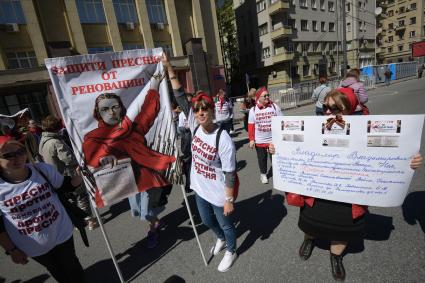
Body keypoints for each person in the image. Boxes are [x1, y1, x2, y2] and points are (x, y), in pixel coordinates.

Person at [269, 89, 423, 281]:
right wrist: (277, 149)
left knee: (341, 229)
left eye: (334, 108)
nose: (327, 112)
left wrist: (409, 161)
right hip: (317, 191)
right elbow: (293, 150)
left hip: (348, 195)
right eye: (325, 107)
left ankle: (336, 256)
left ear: (349, 109)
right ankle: (309, 239)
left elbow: (387, 158)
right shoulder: (314, 127)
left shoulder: (364, 129)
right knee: (311, 222)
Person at [163, 53, 238, 272]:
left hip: (217, 190)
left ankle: (232, 249)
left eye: (205, 109)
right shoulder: (194, 126)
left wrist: (228, 199)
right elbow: (179, 95)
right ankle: (221, 239)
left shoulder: (222, 139)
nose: (200, 112)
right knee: (206, 222)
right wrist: (169, 68)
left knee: (225, 222)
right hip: (199, 186)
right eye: (197, 110)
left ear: (212, 111)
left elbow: (230, 173)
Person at [0, 136, 86, 283]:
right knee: (56, 270)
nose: (17, 158)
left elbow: (66, 186)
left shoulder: (42, 170)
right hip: (32, 245)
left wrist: (79, 175)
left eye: (20, 151)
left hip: (61, 233)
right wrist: (12, 250)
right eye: (8, 155)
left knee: (72, 265)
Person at [82, 91, 176, 206]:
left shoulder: (131, 129)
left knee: (148, 212)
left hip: (148, 182)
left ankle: (154, 220)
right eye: (105, 109)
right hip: (124, 184)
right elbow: (92, 158)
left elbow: (147, 113)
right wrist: (103, 158)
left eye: (115, 107)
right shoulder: (92, 138)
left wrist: (154, 86)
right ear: (98, 113)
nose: (111, 113)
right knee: (137, 211)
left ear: (121, 108)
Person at [39, 116, 98, 230]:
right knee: (81, 196)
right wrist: (78, 164)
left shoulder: (43, 141)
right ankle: (89, 221)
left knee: (71, 200)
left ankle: (79, 222)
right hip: (68, 174)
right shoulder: (55, 142)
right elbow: (68, 159)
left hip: (55, 175)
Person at [248, 87, 282, 184]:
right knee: (262, 159)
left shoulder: (274, 106)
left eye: (268, 95)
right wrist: (251, 139)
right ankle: (263, 175)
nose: (267, 97)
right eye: (265, 96)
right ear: (259, 98)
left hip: (273, 140)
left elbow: (282, 121)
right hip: (260, 140)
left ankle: (277, 174)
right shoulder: (253, 110)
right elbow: (251, 126)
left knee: (275, 158)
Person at [177, 93, 193, 193]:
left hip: (196, 142)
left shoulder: (195, 112)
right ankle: (188, 184)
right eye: (187, 102)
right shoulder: (182, 114)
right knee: (188, 165)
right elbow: (179, 130)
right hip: (187, 143)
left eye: (190, 102)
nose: (189, 104)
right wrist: (186, 129)